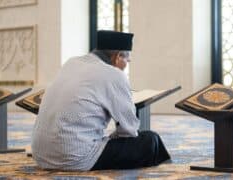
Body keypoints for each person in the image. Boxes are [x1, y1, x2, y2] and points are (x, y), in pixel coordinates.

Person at [31, 30, 171, 171]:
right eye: (127, 61)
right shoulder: (114, 74)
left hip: (40, 155)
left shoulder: (71, 63)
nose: (126, 65)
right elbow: (129, 129)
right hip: (74, 158)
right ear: (118, 57)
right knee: (150, 140)